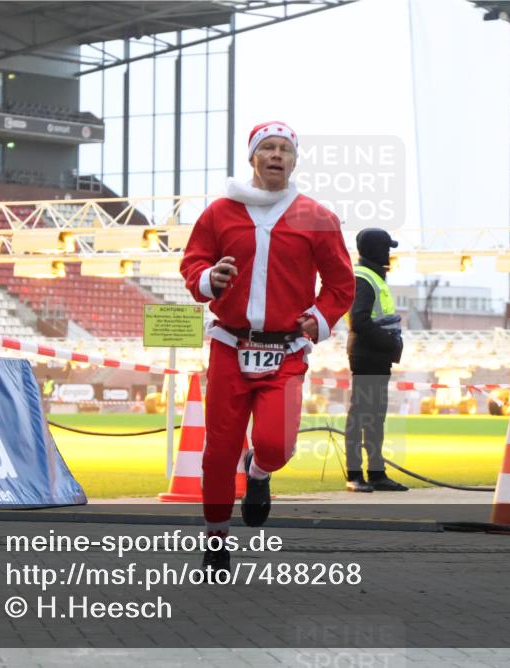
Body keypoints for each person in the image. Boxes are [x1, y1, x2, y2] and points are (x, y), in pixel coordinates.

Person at [181, 121, 355, 572]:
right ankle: (216, 538)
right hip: (229, 346)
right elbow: (193, 261)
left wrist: (318, 318)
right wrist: (207, 278)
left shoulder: (316, 217)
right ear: (252, 158)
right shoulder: (219, 212)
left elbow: (340, 283)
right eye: (267, 148)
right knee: (218, 451)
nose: (276, 155)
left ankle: (258, 472)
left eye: (285, 149)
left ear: (294, 161)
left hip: (286, 350)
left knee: (276, 444)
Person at [344, 228, 408, 493]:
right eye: (386, 248)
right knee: (361, 416)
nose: (389, 253)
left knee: (374, 418)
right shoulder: (364, 278)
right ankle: (355, 475)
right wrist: (390, 342)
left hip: (376, 358)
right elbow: (358, 321)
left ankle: (377, 473)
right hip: (367, 357)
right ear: (375, 250)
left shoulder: (373, 277)